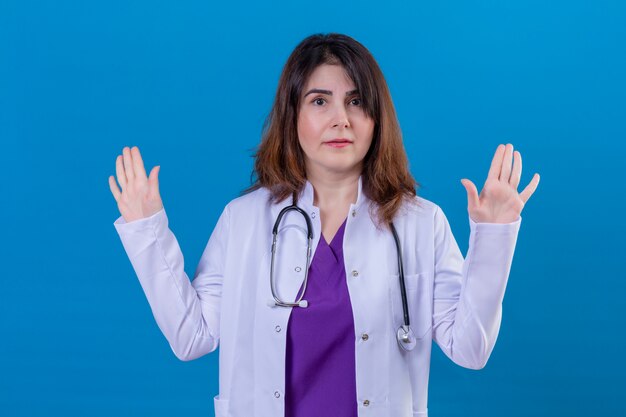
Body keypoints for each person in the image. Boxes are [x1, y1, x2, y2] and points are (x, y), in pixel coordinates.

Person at [108, 33, 540, 417]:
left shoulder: (419, 223)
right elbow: (192, 336)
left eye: (356, 101)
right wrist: (148, 232)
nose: (341, 119)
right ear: (292, 116)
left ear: (376, 118)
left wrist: (494, 237)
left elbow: (470, 349)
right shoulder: (243, 221)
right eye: (319, 101)